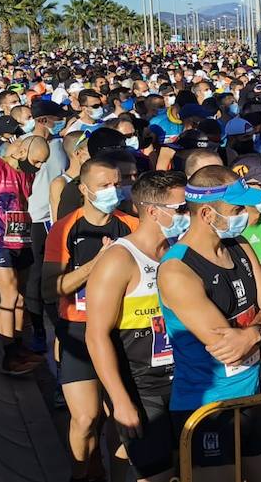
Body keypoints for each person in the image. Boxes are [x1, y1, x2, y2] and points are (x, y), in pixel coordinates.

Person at [157, 166, 261, 480]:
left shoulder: (239, 246)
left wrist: (256, 331)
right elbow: (227, 347)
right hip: (207, 409)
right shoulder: (177, 270)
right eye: (237, 209)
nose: (247, 213)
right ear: (206, 215)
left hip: (252, 397)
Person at [84, 171, 188, 482]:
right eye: (182, 208)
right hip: (143, 388)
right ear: (154, 211)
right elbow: (96, 335)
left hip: (185, 378)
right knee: (156, 474)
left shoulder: (179, 251)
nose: (189, 215)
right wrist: (120, 401)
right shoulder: (119, 259)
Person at [45, 156, 140, 481]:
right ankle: (81, 474)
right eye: (104, 186)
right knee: (86, 418)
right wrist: (96, 265)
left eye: (117, 184)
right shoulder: (66, 228)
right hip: (78, 331)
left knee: (122, 422)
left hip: (123, 331)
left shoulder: (132, 225)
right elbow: (51, 287)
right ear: (84, 189)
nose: (113, 191)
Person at [0, 135, 51, 374]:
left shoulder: (27, 173)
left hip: (20, 239)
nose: (38, 167)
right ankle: (9, 356)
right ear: (21, 152)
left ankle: (18, 346)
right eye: (36, 161)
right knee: (10, 294)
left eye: (42, 163)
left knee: (20, 298)